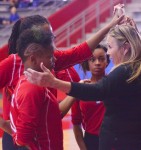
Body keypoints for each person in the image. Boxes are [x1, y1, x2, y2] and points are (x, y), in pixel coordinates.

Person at [0, 13, 124, 150]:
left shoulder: (49, 59)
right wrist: (5, 125)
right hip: (22, 140)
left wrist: (111, 25)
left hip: (45, 137)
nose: (52, 40)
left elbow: (80, 52)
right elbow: (23, 137)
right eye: (47, 36)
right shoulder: (15, 67)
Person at [25, 24, 141, 150]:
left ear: (125, 48)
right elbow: (76, 122)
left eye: (110, 47)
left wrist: (54, 82)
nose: (109, 53)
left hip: (121, 142)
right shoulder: (140, 68)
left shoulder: (125, 70)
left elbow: (98, 90)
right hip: (122, 139)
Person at [71, 44, 109, 150]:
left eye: (101, 59)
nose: (97, 63)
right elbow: (76, 123)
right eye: (92, 60)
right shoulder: (81, 89)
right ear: (87, 63)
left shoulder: (114, 85)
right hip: (91, 141)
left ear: (107, 62)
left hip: (113, 139)